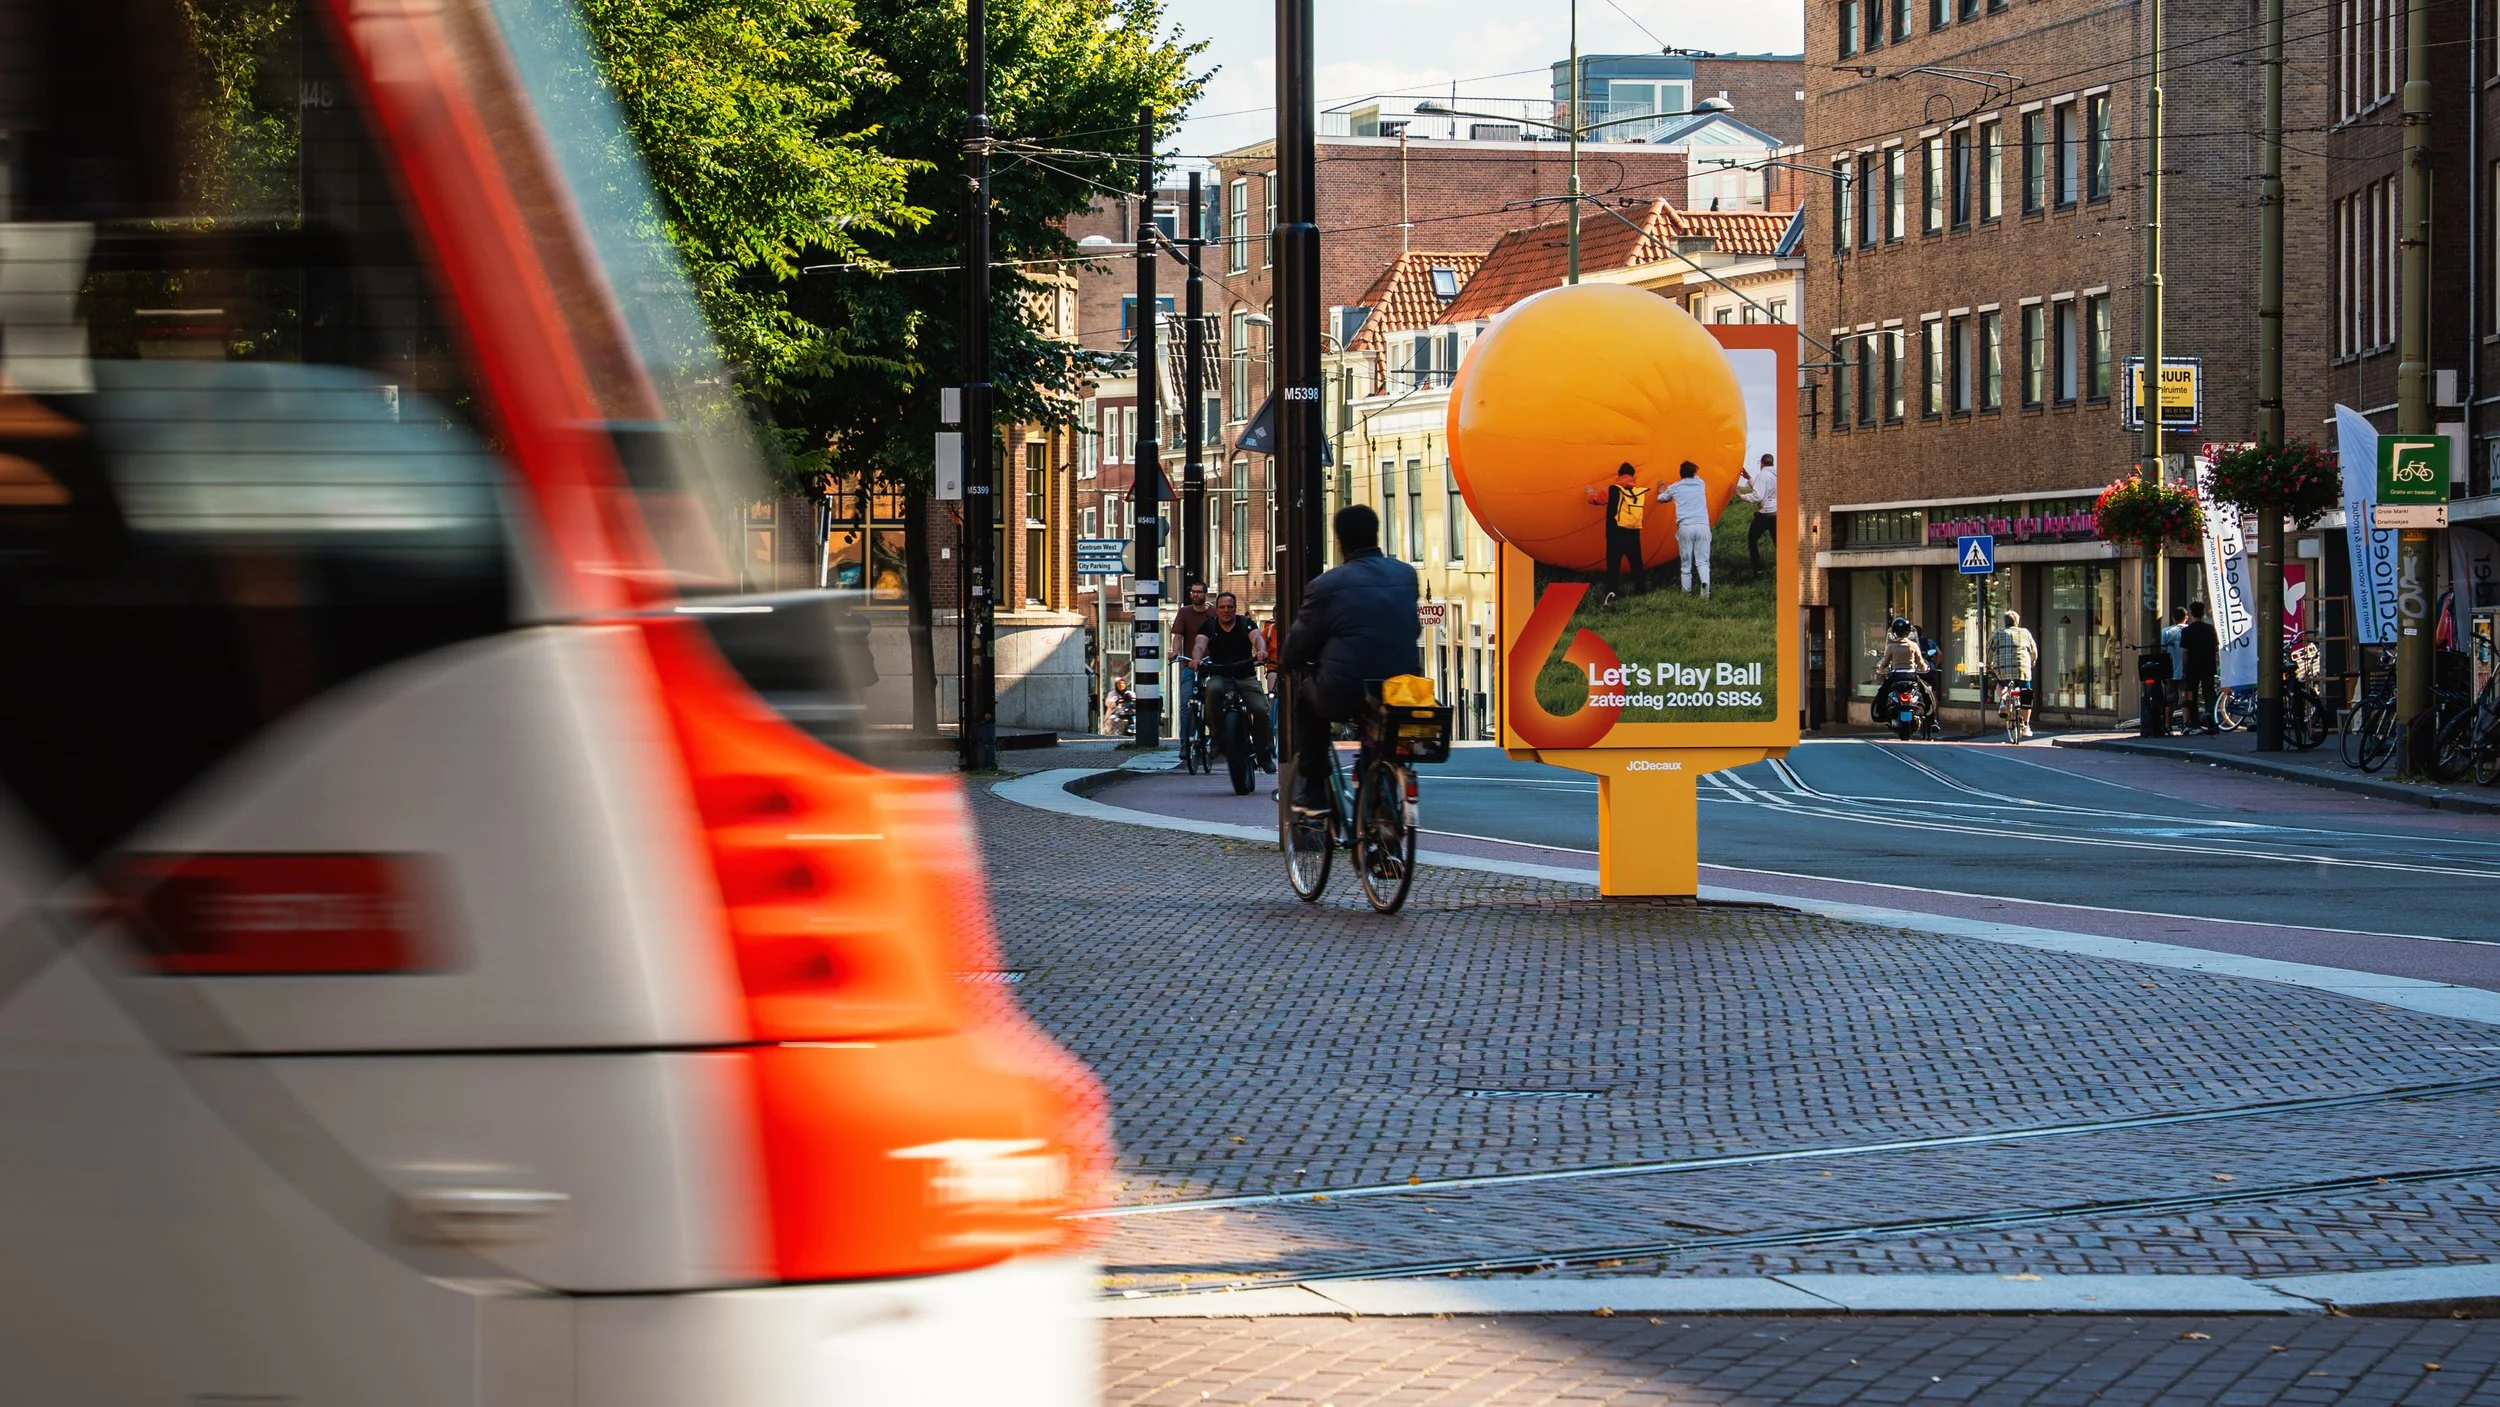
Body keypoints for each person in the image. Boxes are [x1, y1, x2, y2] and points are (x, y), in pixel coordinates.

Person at [1281, 504, 1422, 813]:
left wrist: (1287, 663)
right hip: (1402, 688)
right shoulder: (1406, 575)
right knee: (1380, 724)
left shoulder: (1325, 586)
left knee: (1306, 703)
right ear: (1376, 533)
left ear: (1340, 542)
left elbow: (1299, 644)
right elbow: (1413, 628)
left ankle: (1314, 792)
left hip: (1345, 690)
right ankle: (1379, 797)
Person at [1189, 591, 1277, 772]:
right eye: (1222, 607)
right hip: (1220, 674)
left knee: (1261, 709)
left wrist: (1261, 651)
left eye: (1230, 607)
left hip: (1245, 675)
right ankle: (1217, 736)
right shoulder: (1209, 626)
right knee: (1212, 691)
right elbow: (1199, 644)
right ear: (1217, 610)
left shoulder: (1245, 623)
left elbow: (1258, 638)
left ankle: (1264, 751)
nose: (1226, 610)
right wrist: (1197, 658)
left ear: (1235, 608)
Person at [1582, 462, 1651, 603]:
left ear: (1619, 475)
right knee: (1636, 564)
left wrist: (1589, 492)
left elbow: (1595, 499)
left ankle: (1611, 592)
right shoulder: (1637, 492)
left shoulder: (1612, 489)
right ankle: (1641, 591)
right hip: (1633, 534)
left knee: (1613, 566)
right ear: (1632, 476)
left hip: (1615, 535)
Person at [1167, 579, 1212, 750]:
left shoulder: (1214, 613)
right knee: (1186, 703)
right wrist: (1175, 652)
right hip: (1190, 666)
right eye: (1193, 592)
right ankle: (1185, 744)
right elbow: (1178, 635)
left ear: (1205, 594)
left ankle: (1215, 738)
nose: (1195, 595)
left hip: (1211, 665)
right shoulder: (1184, 613)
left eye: (1199, 592)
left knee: (1215, 701)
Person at [1988, 609, 2041, 740]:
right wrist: (2033, 661)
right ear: (2017, 622)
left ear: (2004, 622)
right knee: (2026, 693)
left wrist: (1989, 664)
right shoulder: (2025, 633)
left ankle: (2004, 701)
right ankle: (2026, 725)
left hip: (2003, 670)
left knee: (2000, 684)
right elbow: (2034, 651)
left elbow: (1990, 651)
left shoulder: (1998, 633)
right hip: (2022, 669)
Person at [1665, 460, 1714, 598]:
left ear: (1680, 473)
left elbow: (1661, 498)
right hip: (1702, 526)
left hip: (1685, 527)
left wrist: (1662, 490)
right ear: (1694, 473)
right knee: (1703, 561)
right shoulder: (1700, 484)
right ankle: (1705, 585)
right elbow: (1696, 477)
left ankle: (1686, 593)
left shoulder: (1675, 487)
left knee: (1686, 563)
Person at [2179, 600, 2221, 733]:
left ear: (2191, 614)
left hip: (2192, 666)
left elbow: (2185, 652)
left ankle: (2194, 721)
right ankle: (2211, 716)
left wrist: (2185, 669)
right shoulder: (2210, 629)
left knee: (2192, 694)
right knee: (2209, 691)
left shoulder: (2187, 631)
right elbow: (2215, 648)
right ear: (2203, 613)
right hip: (2208, 665)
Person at [1736, 451, 1778, 580]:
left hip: (1765, 514)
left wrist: (1741, 496)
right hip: (1776, 514)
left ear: (1761, 463)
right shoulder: (1776, 474)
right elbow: (1763, 489)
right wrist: (1749, 478)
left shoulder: (1763, 475)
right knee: (1778, 543)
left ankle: (1757, 570)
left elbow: (1758, 495)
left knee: (1752, 540)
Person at [2159, 606, 2189, 730]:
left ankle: (2167, 725)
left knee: (2169, 699)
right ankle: (2186, 724)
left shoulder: (2166, 632)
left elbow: (2163, 650)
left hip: (2172, 670)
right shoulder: (2189, 630)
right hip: (2187, 670)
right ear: (2186, 618)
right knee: (2186, 698)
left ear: (2172, 618)